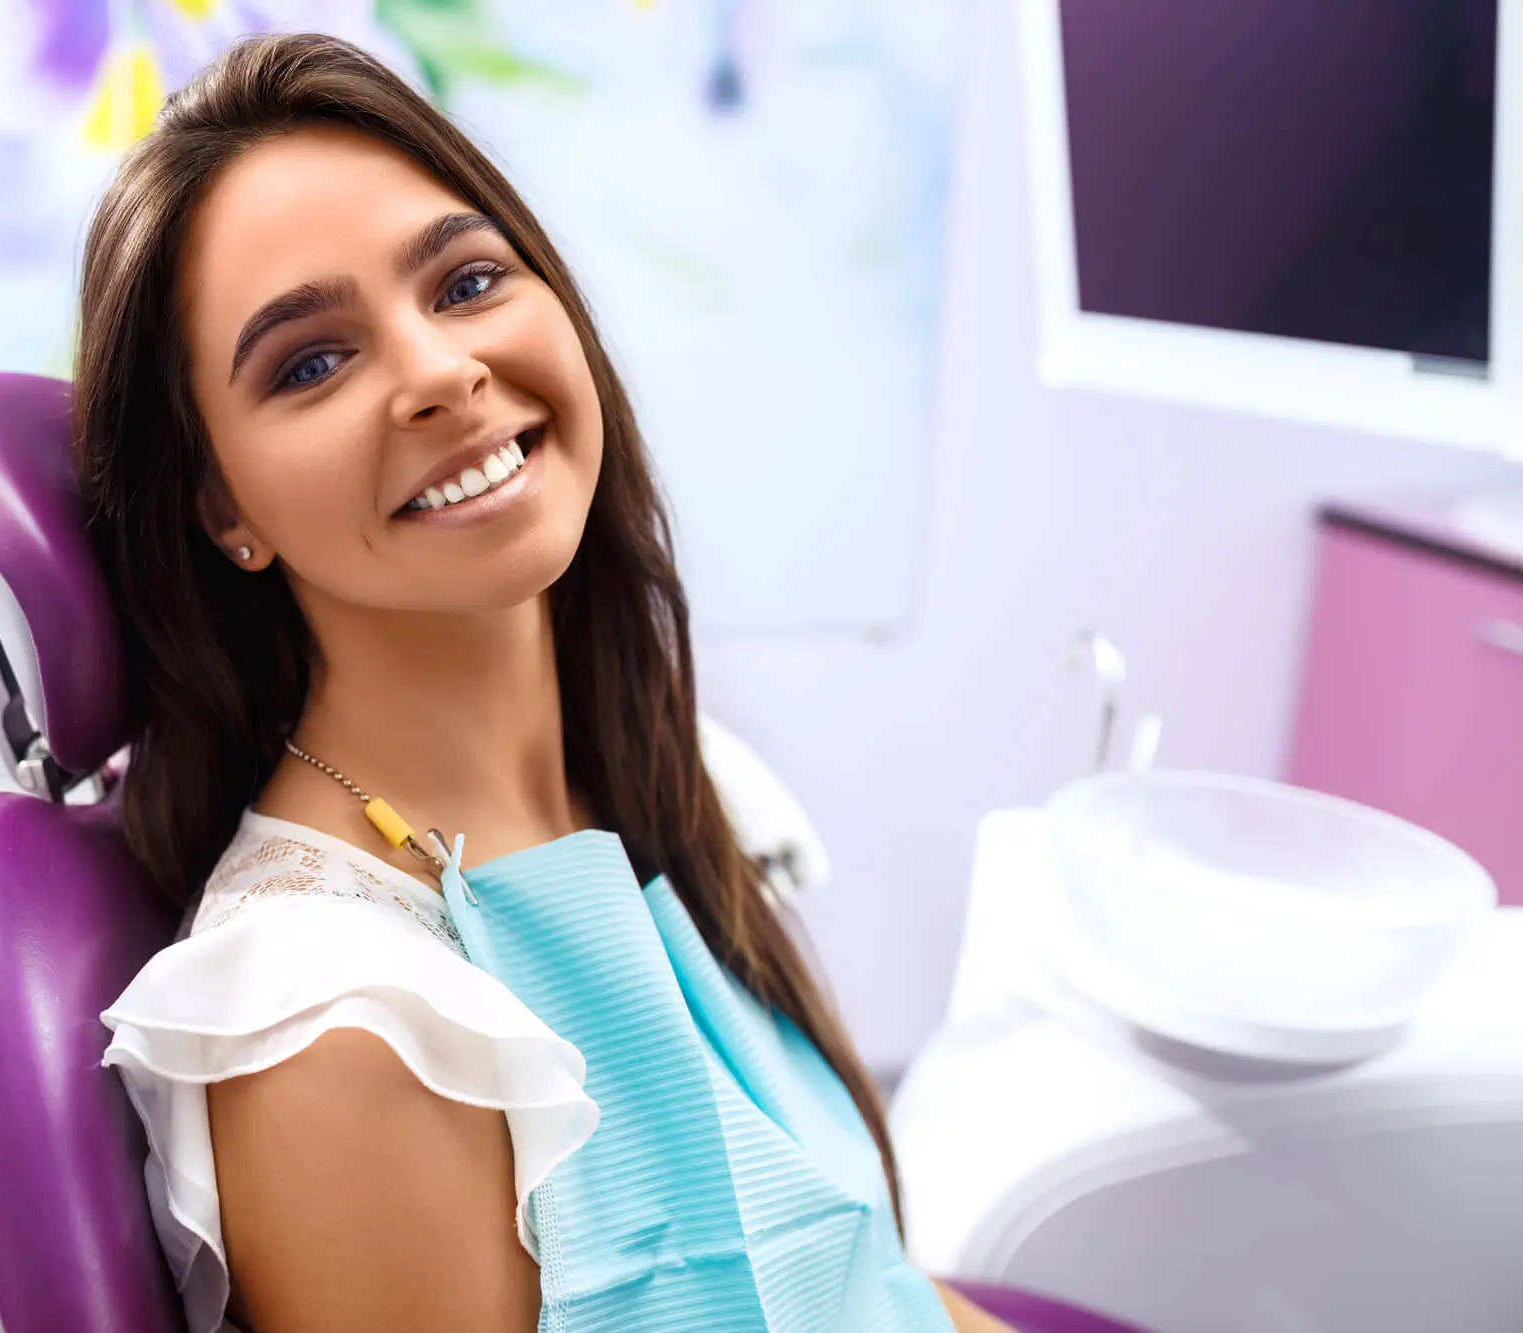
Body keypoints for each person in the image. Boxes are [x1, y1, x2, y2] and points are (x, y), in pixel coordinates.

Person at [78, 32, 1011, 1333]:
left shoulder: (648, 775)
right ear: (225, 506)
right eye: (310, 362)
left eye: (466, 282)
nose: (441, 373)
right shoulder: (342, 1029)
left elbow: (871, 1286)